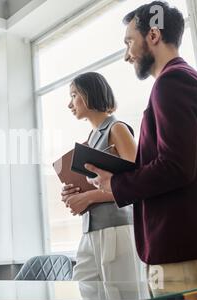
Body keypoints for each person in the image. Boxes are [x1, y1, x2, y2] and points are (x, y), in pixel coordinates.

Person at [84, 1, 197, 284]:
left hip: (184, 249)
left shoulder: (172, 82)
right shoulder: (183, 80)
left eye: (129, 41)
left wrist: (115, 184)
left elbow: (175, 166)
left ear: (153, 36)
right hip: (190, 247)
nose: (127, 55)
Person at [61, 72, 142, 282]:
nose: (70, 104)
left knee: (123, 297)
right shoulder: (91, 139)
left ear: (90, 94)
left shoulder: (117, 129)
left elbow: (138, 183)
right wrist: (73, 193)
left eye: (73, 95)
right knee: (85, 290)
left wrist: (88, 198)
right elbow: (97, 184)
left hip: (117, 229)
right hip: (90, 231)